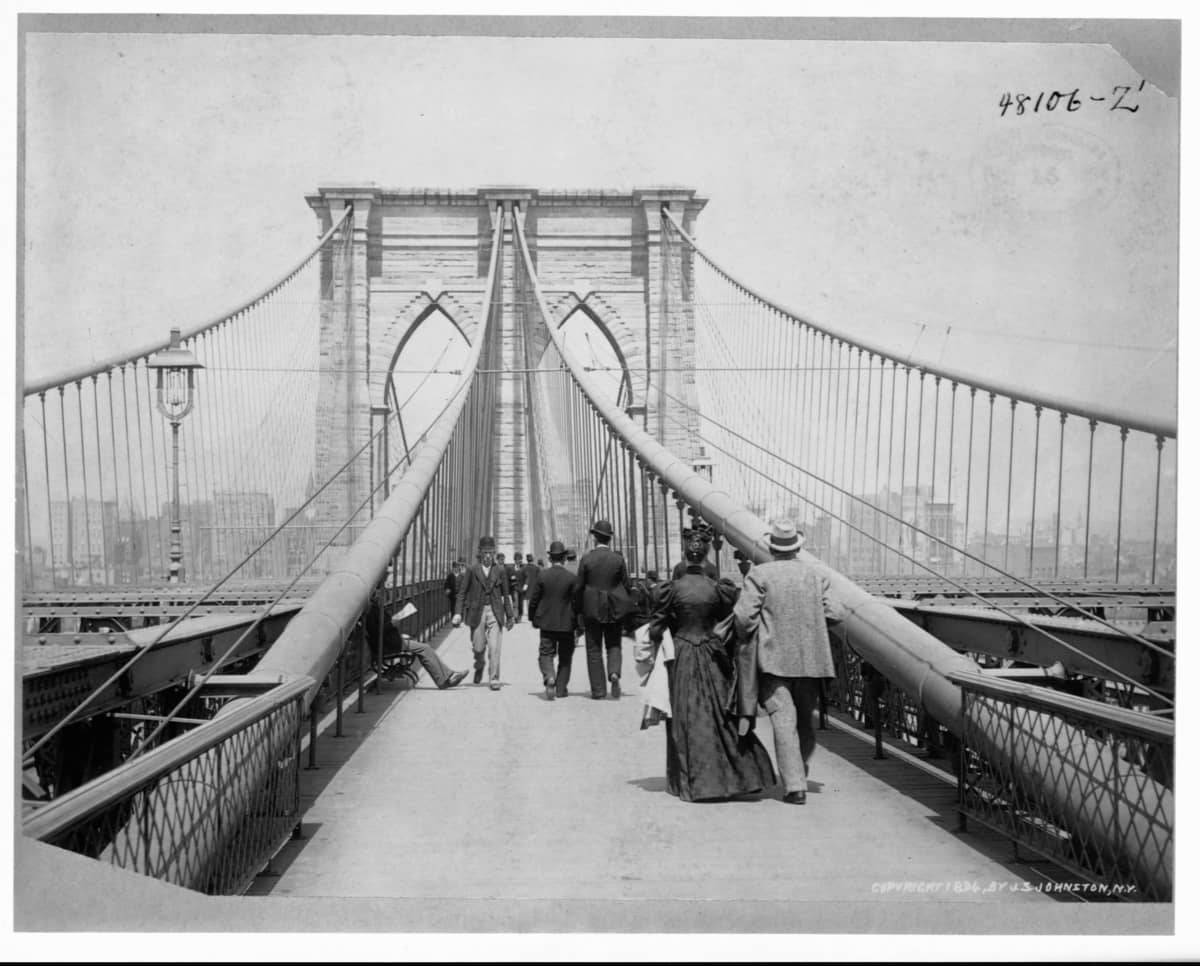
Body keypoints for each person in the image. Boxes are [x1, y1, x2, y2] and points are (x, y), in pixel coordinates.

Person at [646, 528, 776, 802]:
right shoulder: (720, 589)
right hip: (711, 653)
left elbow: (656, 629)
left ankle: (690, 784)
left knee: (683, 716)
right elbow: (731, 624)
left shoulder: (670, 589)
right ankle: (740, 776)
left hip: (681, 653)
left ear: (684, 554)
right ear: (706, 556)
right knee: (720, 715)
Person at [732, 519, 847, 805]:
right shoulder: (816, 575)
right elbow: (836, 613)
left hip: (774, 660)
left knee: (784, 722)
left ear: (772, 547)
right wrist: (812, 625)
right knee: (805, 721)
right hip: (811, 660)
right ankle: (800, 771)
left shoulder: (759, 574)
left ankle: (795, 786)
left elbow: (744, 619)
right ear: (797, 547)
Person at [573, 519, 634, 700]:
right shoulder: (618, 559)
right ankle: (614, 672)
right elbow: (627, 585)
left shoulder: (586, 559)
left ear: (594, 538)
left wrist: (578, 610)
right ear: (609, 539)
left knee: (594, 649)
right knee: (614, 644)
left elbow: (578, 588)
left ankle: (598, 691)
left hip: (592, 609)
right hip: (614, 608)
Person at [365, 584, 468, 690]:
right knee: (425, 648)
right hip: (389, 644)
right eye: (381, 593)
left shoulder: (374, 608)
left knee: (423, 648)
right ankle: (445, 679)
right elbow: (375, 631)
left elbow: (379, 627)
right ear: (374, 594)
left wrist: (392, 622)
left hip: (390, 642)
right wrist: (391, 624)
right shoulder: (372, 610)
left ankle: (446, 677)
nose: (383, 595)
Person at [453, 536, 514, 691]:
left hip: (495, 611)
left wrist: (510, 616)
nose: (488, 556)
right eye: (485, 552)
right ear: (480, 553)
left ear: (494, 553)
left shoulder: (500, 570)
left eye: (491, 552)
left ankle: (494, 678)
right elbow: (461, 593)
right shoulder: (472, 570)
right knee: (478, 646)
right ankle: (479, 664)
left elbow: (506, 595)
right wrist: (458, 613)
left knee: (495, 647)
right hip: (476, 612)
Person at [526, 540, 577, 700]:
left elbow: (534, 599)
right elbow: (576, 603)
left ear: (550, 558)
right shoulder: (571, 578)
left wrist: (532, 617)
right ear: (563, 559)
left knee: (545, 653)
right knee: (565, 656)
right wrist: (578, 623)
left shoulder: (543, 576)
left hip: (547, 623)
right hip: (567, 624)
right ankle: (561, 689)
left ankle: (549, 676)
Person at [519, 554, 540, 622]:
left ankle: (529, 613)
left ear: (527, 559)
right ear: (533, 559)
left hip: (527, 587)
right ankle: (534, 614)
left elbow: (521, 578)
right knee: (534, 600)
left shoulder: (524, 568)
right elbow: (539, 578)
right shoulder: (536, 568)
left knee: (528, 600)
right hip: (535, 587)